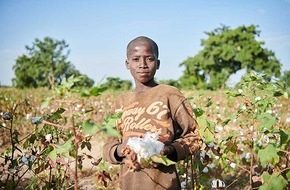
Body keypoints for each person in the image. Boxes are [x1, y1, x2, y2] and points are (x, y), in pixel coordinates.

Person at [103, 36, 202, 190]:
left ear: (158, 63)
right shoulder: (120, 102)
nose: (142, 65)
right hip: (130, 184)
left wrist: (169, 150)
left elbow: (194, 137)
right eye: (136, 59)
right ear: (127, 64)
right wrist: (121, 149)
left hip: (165, 184)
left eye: (149, 59)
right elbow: (109, 146)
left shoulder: (170, 95)